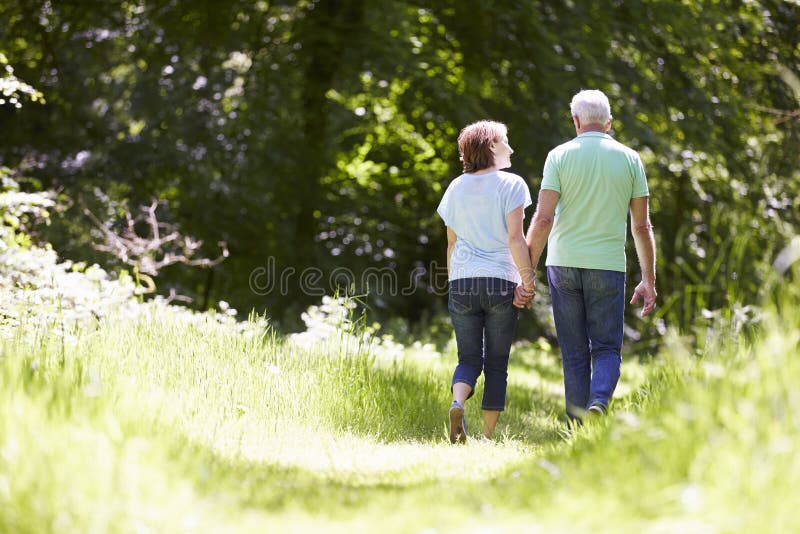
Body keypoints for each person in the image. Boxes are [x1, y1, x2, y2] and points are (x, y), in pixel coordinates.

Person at [519, 89, 657, 422]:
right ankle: (598, 403)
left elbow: (543, 219)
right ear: (608, 123)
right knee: (607, 348)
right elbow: (641, 226)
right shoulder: (630, 159)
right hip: (608, 267)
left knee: (574, 351)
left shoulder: (559, 156)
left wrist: (524, 271)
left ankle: (576, 424)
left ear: (576, 120)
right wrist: (648, 279)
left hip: (563, 264)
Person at [437, 120, 536, 443]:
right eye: (505, 141)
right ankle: (487, 437)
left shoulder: (455, 187)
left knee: (467, 358)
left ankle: (457, 402)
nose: (511, 147)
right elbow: (515, 239)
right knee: (496, 363)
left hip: (462, 281)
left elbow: (451, 243)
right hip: (499, 282)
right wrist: (527, 280)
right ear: (491, 146)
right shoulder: (512, 184)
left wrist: (455, 283)